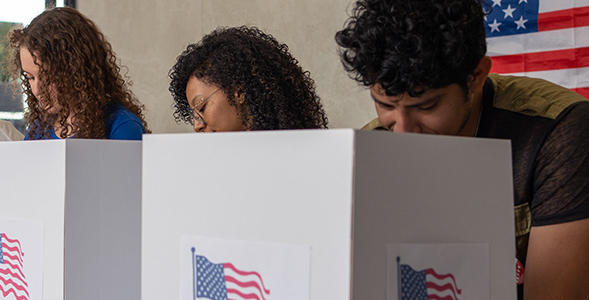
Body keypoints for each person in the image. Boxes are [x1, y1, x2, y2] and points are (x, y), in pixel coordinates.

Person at [335, 0, 589, 299]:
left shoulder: (557, 131)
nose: (403, 130)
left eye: (427, 106)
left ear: (476, 76)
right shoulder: (369, 147)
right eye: (386, 105)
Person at [5, 7, 149, 140]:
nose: (37, 90)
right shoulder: (37, 131)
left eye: (47, 78)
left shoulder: (122, 126)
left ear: (75, 70)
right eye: (30, 77)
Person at [169, 26, 328, 132]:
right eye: (193, 114)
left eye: (201, 107)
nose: (197, 125)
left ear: (238, 91)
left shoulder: (298, 157)